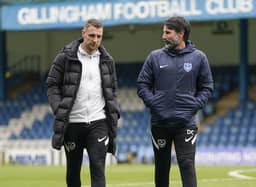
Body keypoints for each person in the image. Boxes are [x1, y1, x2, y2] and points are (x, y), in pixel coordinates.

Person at [137, 16, 214, 187]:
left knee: (187, 165)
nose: (163, 36)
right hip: (160, 124)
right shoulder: (154, 57)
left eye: (167, 32)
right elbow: (142, 85)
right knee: (162, 168)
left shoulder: (199, 58)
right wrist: (154, 103)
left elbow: (207, 86)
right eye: (163, 32)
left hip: (185, 123)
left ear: (181, 34)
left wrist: (194, 105)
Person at [46, 19, 120, 187]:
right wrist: (59, 109)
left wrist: (115, 112)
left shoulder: (107, 60)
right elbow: (51, 85)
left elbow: (112, 90)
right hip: (72, 123)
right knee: (73, 171)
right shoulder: (64, 57)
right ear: (83, 33)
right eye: (92, 35)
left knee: (98, 168)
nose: (95, 40)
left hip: (98, 121)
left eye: (99, 36)